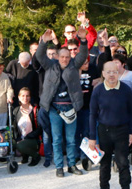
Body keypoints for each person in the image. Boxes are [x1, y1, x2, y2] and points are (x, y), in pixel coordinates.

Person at [35, 28, 88, 177]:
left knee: (71, 139)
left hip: (71, 107)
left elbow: (83, 54)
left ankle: (71, 165)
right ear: (57, 56)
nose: (65, 59)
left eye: (67, 57)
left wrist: (83, 40)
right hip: (54, 109)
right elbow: (39, 55)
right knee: (57, 139)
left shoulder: (74, 65)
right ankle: (59, 166)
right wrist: (44, 42)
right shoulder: (50, 65)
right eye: (62, 56)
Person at [89, 61, 132, 189]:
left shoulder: (125, 89)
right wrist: (92, 137)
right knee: (104, 163)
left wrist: (130, 132)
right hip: (104, 131)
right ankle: (103, 188)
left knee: (123, 163)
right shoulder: (98, 91)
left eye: (114, 71)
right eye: (108, 72)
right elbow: (92, 114)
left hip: (122, 131)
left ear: (118, 73)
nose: (112, 74)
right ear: (103, 74)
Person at [12, 87, 42, 166]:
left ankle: (36, 156)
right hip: (21, 138)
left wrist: (27, 137)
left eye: (27, 96)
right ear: (19, 97)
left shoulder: (35, 110)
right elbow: (14, 128)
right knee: (11, 143)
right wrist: (17, 138)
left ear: (30, 97)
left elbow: (40, 128)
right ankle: (25, 154)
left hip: (33, 139)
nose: (25, 98)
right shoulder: (16, 111)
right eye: (23, 96)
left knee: (20, 145)